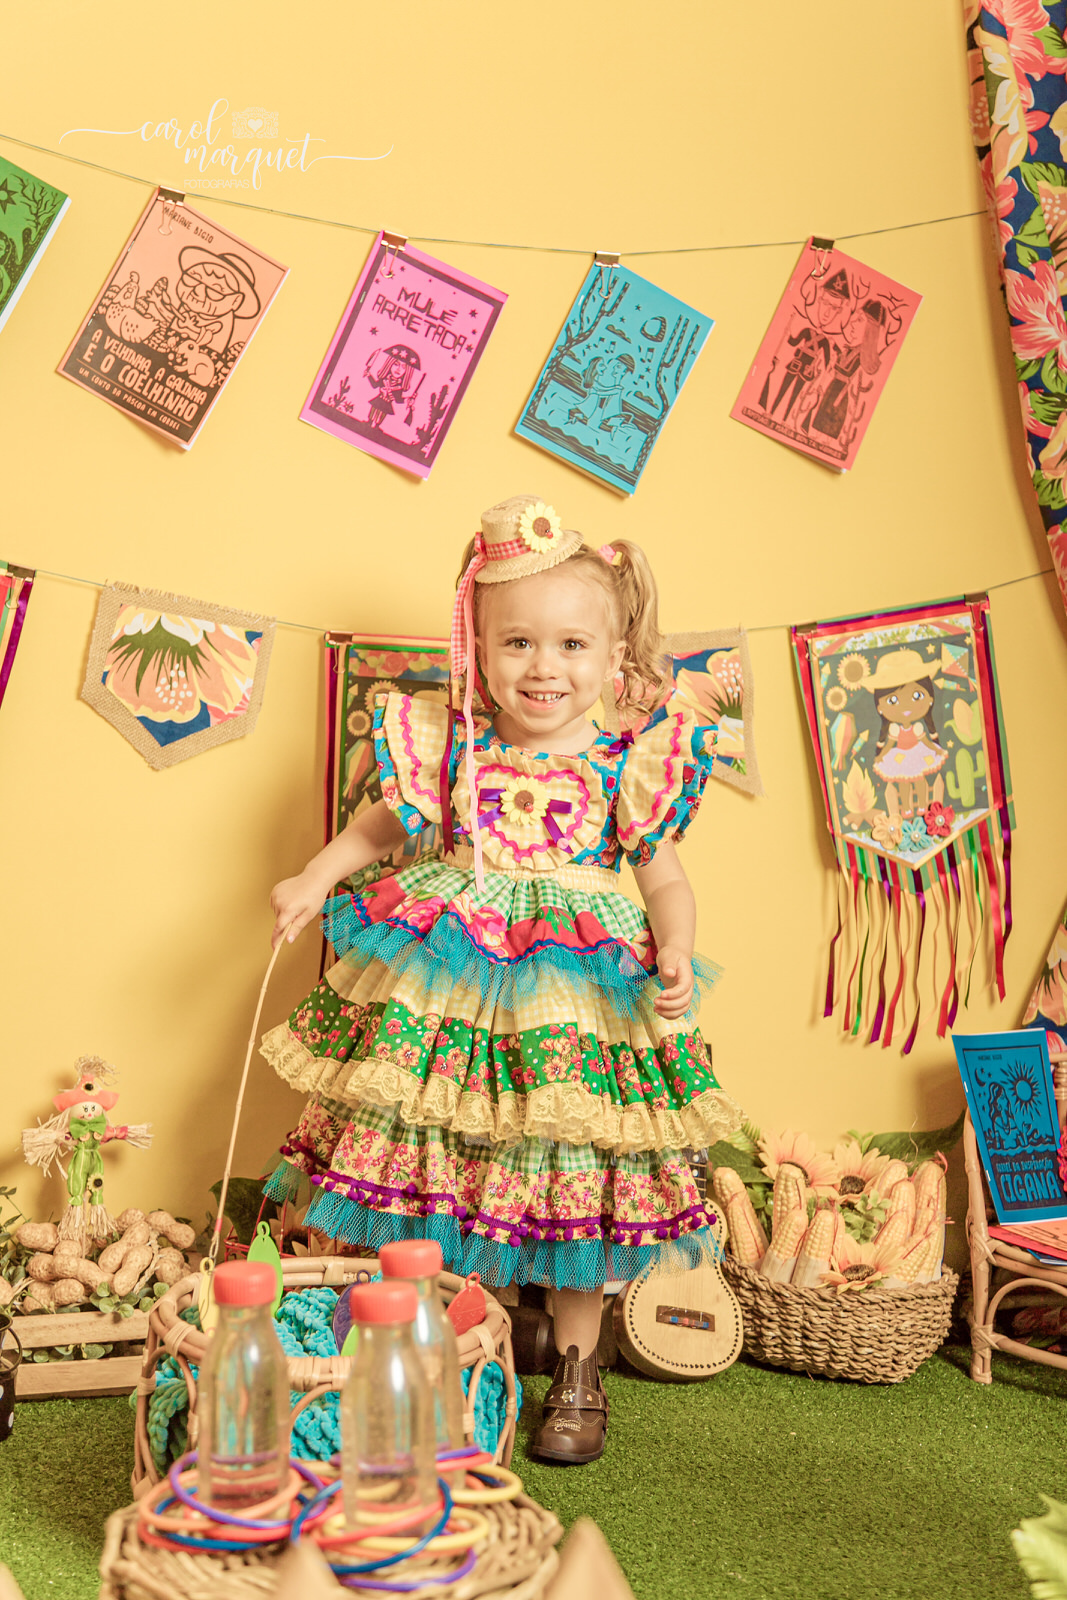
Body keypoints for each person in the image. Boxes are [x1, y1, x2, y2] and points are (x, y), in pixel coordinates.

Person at [261, 493, 741, 1465]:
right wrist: (314, 876)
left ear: (611, 660)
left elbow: (662, 874)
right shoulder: (450, 744)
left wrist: (676, 947)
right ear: (475, 646)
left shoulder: (619, 765)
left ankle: (574, 1364)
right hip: (450, 982)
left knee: (569, 1178)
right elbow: (378, 827)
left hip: (575, 995)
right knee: (431, 1157)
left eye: (570, 646)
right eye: (516, 642)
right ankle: (434, 1335)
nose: (543, 667)